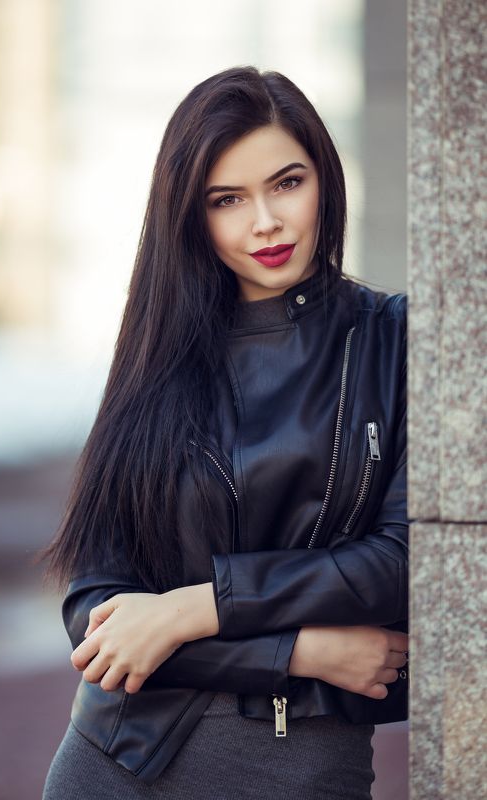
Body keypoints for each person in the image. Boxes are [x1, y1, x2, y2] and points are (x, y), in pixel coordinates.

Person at [41, 65, 409, 800]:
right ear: (191, 215)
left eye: (286, 183)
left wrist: (191, 609)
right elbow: (97, 616)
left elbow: (399, 563)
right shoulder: (159, 352)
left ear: (326, 180)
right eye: (227, 199)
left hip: (304, 764)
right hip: (120, 760)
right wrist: (294, 653)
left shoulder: (395, 340)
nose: (264, 222)